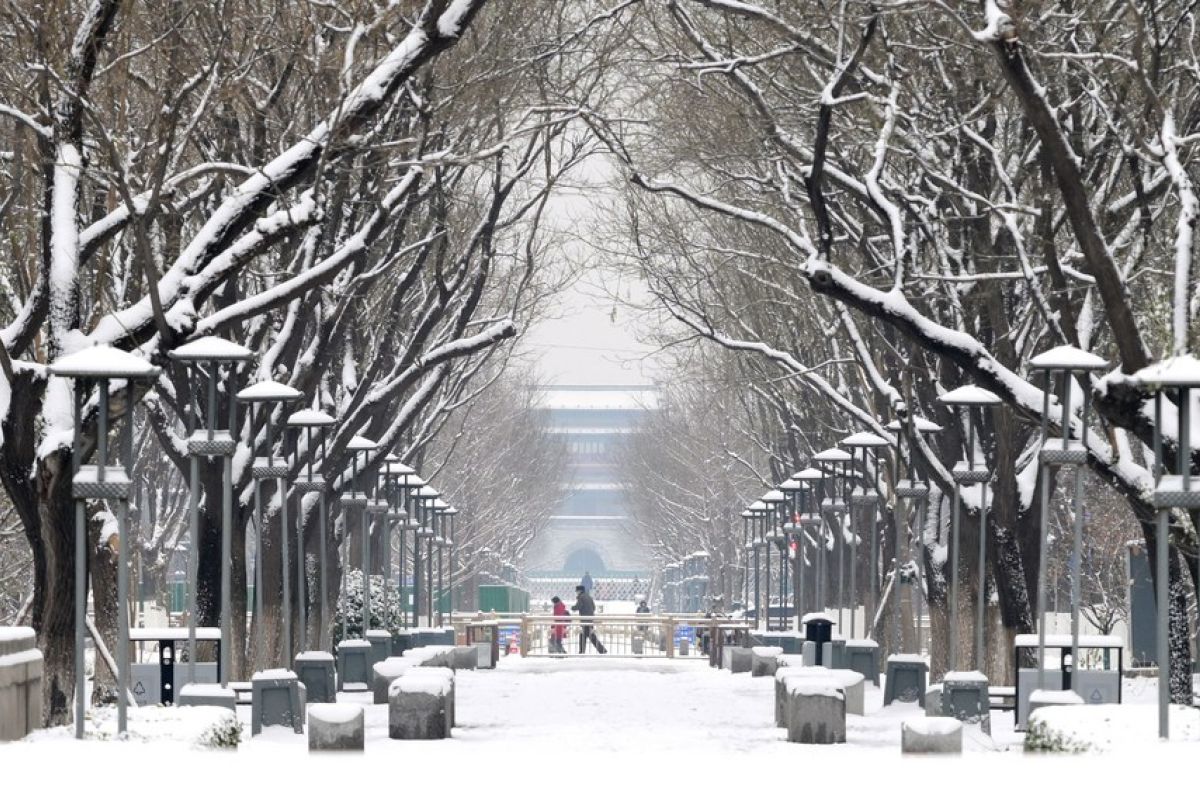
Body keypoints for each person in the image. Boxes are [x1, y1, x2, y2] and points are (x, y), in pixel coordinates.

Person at [572, 584, 606, 654]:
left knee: (590, 636)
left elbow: (578, 606)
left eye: (577, 591)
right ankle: (582, 651)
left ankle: (601, 650)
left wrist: (573, 608)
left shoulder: (581, 597)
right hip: (590, 619)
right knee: (584, 635)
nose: (576, 592)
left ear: (579, 591)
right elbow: (593, 607)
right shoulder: (589, 597)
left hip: (585, 620)